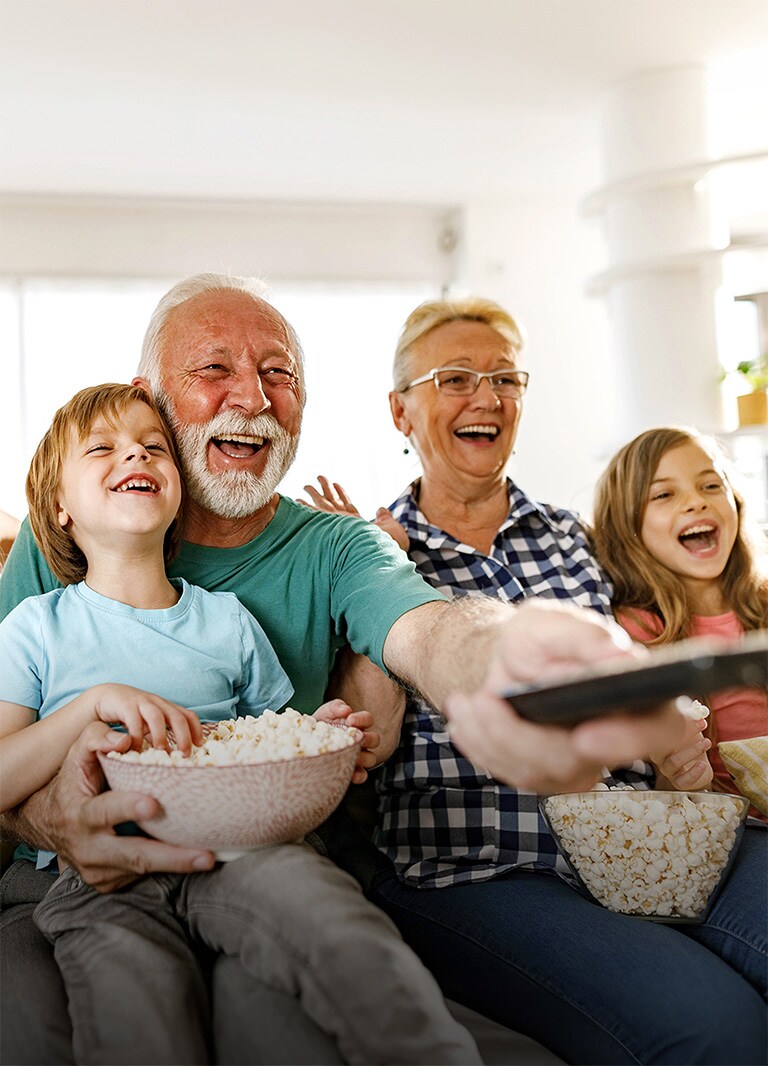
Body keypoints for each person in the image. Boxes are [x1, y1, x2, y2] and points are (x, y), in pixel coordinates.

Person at [0, 275, 693, 1066]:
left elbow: (431, 632)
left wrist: (517, 651)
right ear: (148, 396)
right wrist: (53, 818)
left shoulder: (336, 547)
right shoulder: (65, 549)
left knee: (286, 1028)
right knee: (34, 1031)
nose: (254, 398)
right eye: (214, 368)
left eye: (280, 373)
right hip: (59, 879)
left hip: (256, 862)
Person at [300, 295, 767, 1065]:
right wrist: (376, 566)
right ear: (399, 412)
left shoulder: (575, 538)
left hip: (642, 834)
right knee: (718, 1029)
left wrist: (676, 747)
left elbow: (661, 640)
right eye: (455, 378)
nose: (486, 397)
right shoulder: (365, 551)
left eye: (505, 379)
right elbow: (371, 740)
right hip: (478, 863)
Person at [0, 381, 481, 1066]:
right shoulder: (36, 629)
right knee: (137, 1017)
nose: (134, 456)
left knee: (344, 935)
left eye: (154, 447)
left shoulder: (226, 621)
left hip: (243, 853)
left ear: (180, 489)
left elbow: (271, 737)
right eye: (102, 448)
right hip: (103, 876)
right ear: (59, 507)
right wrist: (89, 705)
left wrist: (326, 729)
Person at [591, 424, 768, 808]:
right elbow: (670, 801)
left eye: (710, 486)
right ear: (629, 527)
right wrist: (678, 776)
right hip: (737, 831)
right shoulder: (636, 632)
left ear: (734, 502)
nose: (695, 502)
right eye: (664, 494)